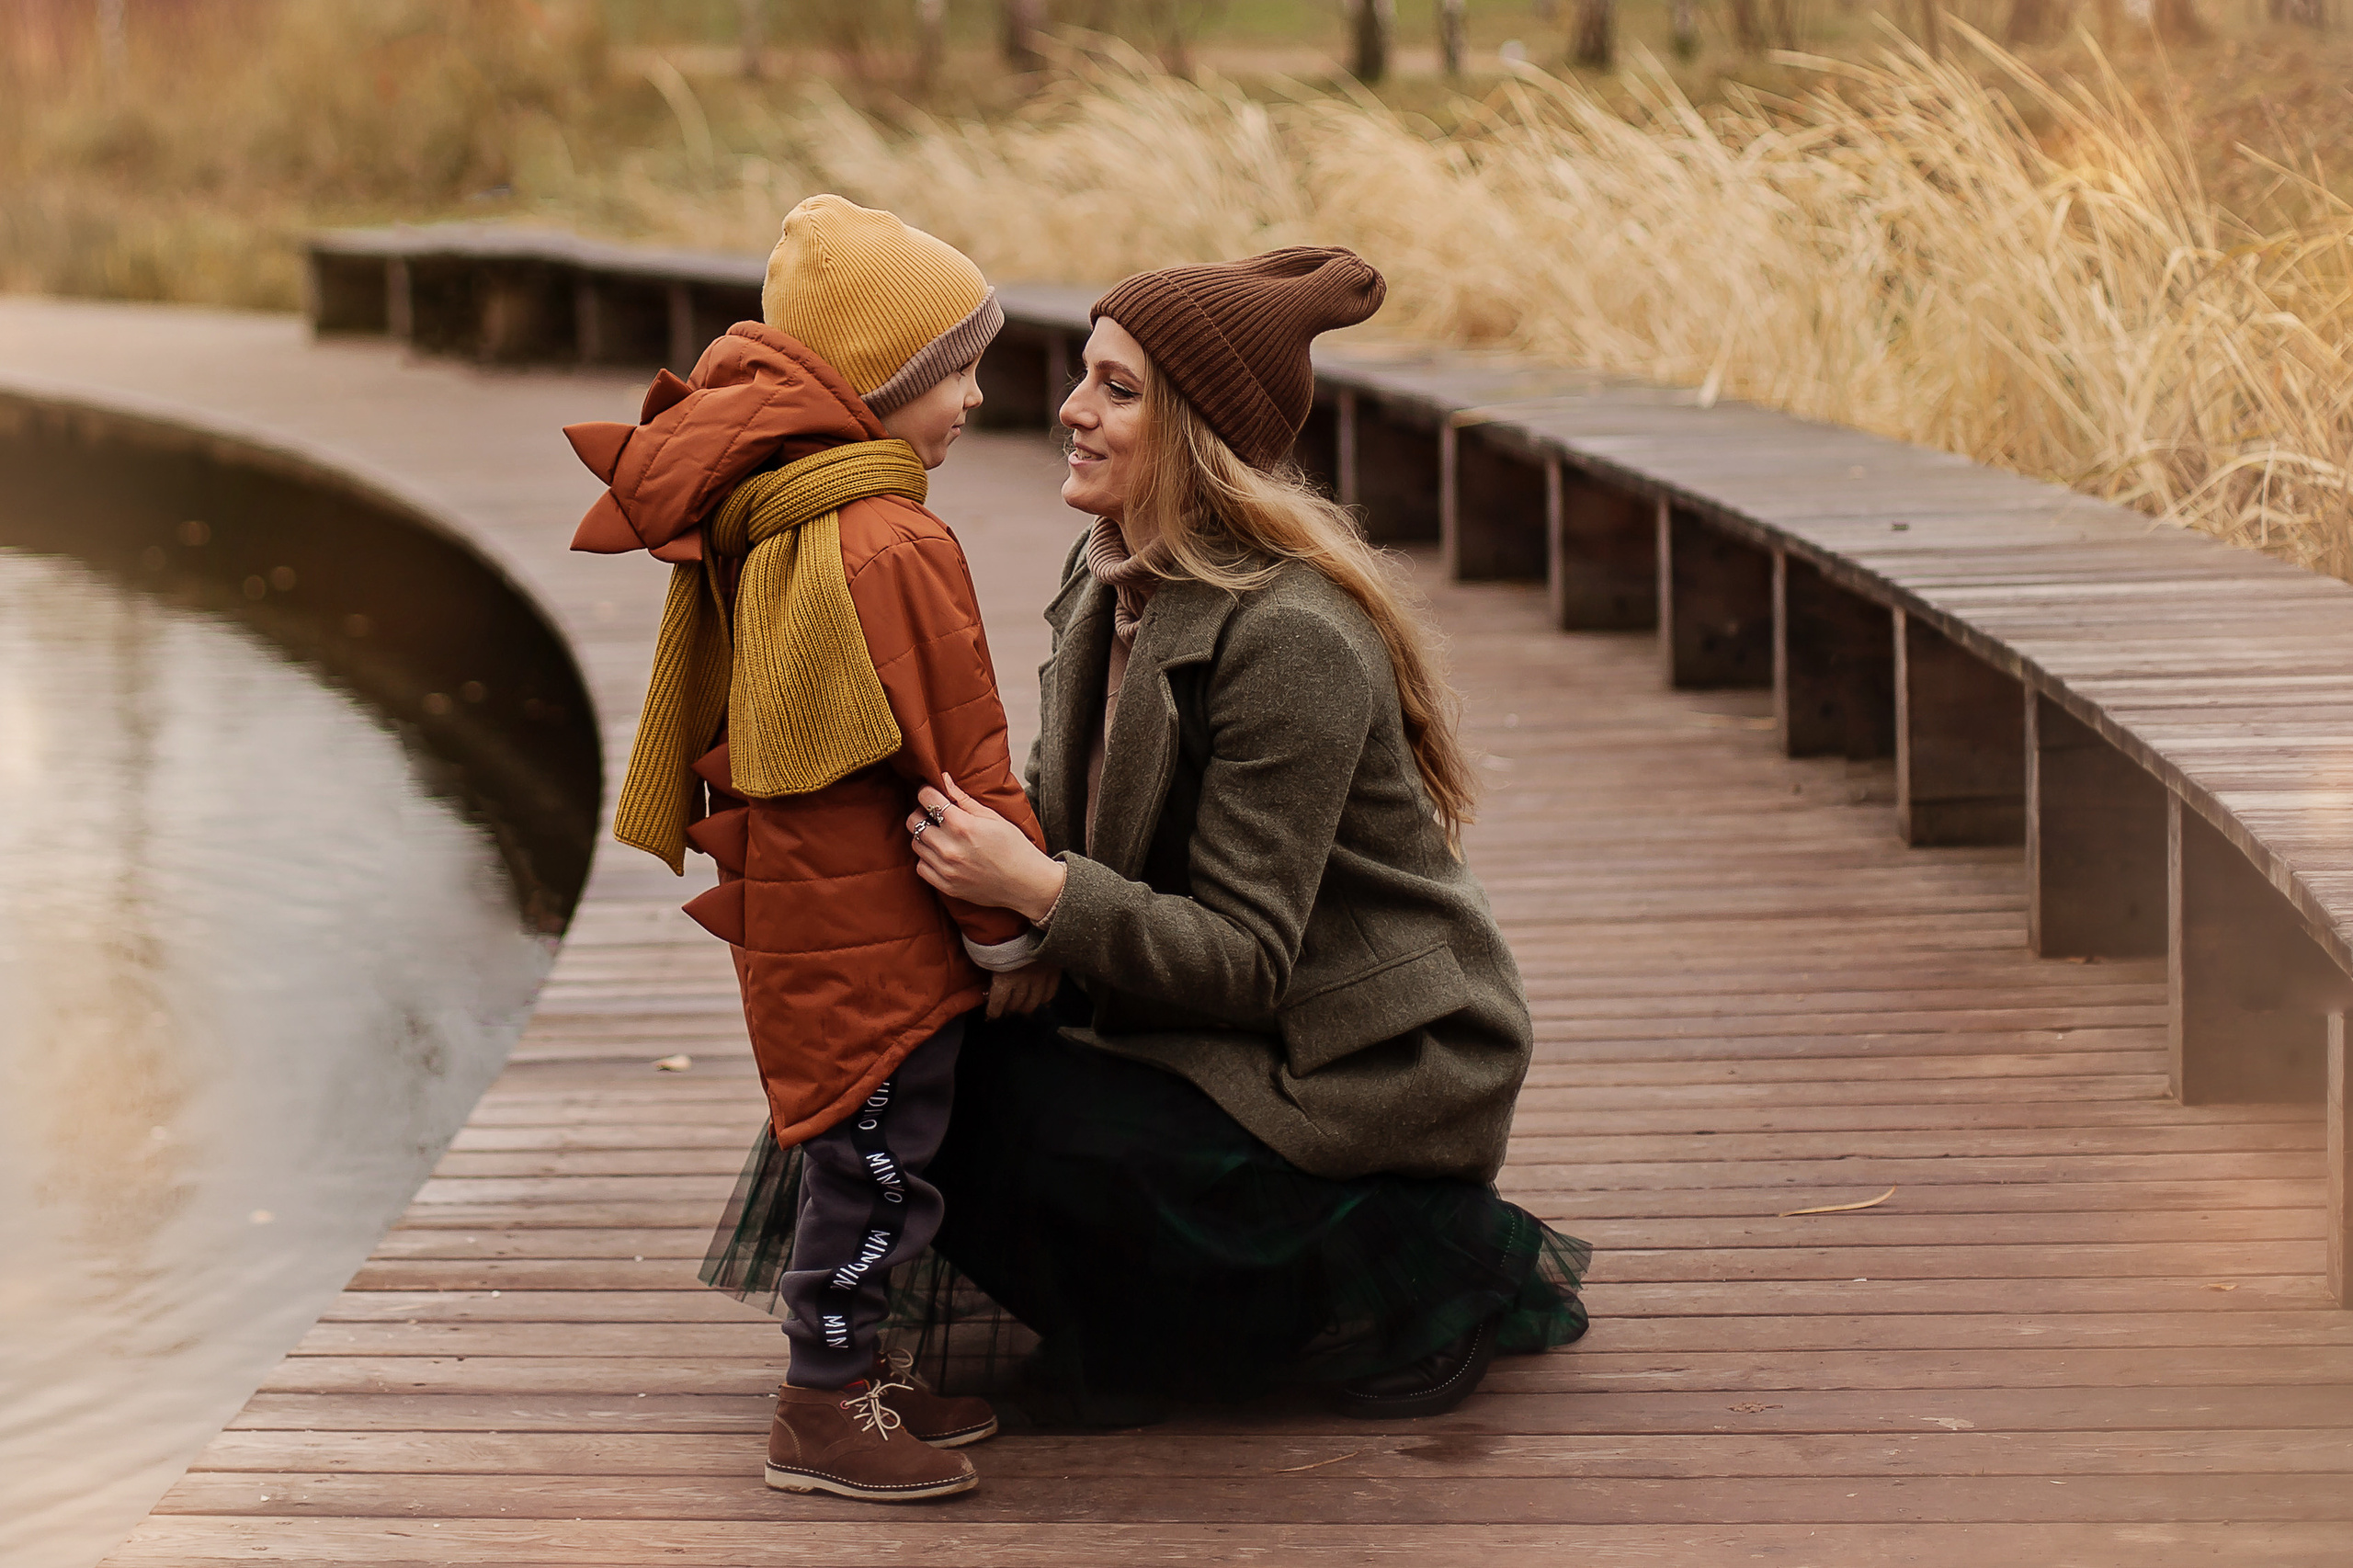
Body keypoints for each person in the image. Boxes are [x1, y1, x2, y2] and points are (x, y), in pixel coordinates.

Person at [902, 247, 1589, 1426]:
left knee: (1051, 1141)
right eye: (1084, 376)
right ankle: (1164, 1310)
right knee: (903, 1063)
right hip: (1210, 1011)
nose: (1070, 409)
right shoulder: (1109, 570)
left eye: (1116, 389)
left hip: (1357, 1055)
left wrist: (1044, 892)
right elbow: (1068, 804)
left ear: (1196, 430)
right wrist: (1013, 936)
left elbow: (1245, 955)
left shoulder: (1291, 637)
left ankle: (1395, 1271)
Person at [563, 195, 1056, 1500]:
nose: (978, 398)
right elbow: (963, 749)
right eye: (958, 370)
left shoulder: (779, 510)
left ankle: (863, 1375)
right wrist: (1015, 922)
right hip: (879, 932)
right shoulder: (889, 535)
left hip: (806, 914)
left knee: (865, 1157)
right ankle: (820, 1409)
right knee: (880, 1172)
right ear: (883, 380)